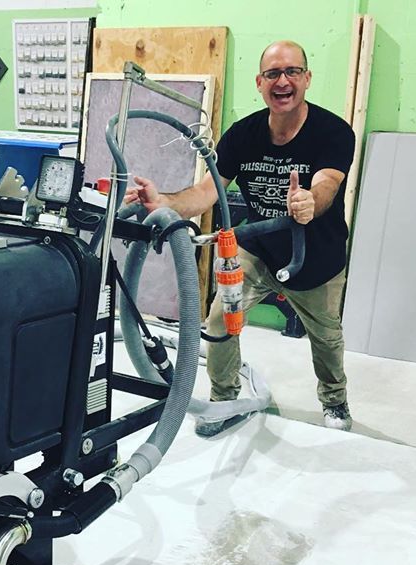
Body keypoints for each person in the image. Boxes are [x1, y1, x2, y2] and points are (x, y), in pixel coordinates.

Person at [124, 40, 356, 436]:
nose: (283, 81)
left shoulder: (333, 132)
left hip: (316, 258)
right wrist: (162, 200)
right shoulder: (242, 135)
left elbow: (327, 185)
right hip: (258, 250)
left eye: (292, 72)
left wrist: (308, 202)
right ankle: (225, 401)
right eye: (272, 74)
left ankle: (334, 401)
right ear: (260, 83)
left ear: (307, 79)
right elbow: (203, 194)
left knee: (326, 338)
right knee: (219, 319)